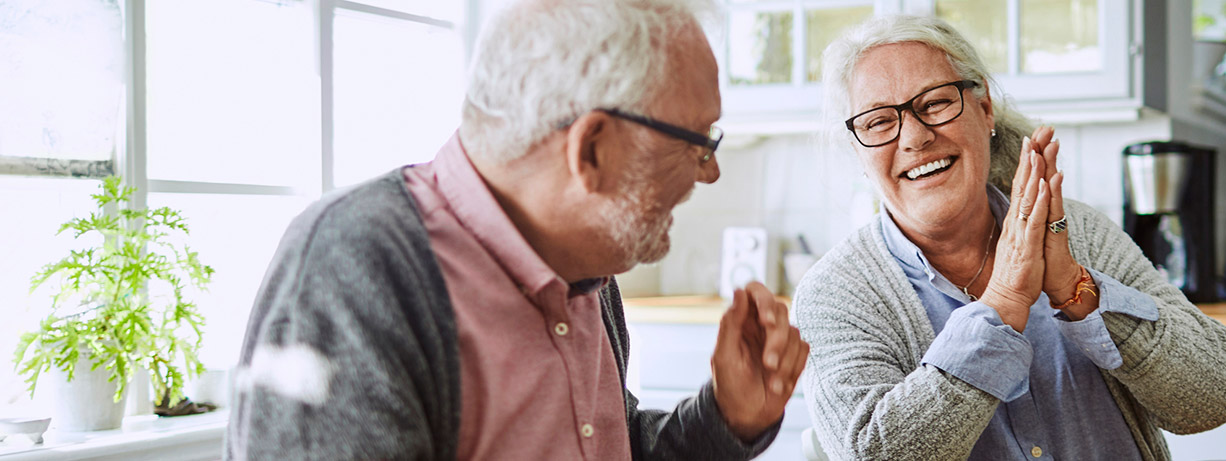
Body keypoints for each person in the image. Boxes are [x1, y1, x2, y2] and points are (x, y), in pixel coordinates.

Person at [225, 0, 808, 459]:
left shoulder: (583, 264)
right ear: (593, 149)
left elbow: (610, 447)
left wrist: (727, 417)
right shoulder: (353, 267)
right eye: (698, 143)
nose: (711, 172)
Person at [793, 15, 1226, 461]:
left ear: (984, 108)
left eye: (934, 103)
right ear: (858, 149)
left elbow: (1215, 397)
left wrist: (1076, 290)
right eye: (877, 122)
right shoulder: (835, 294)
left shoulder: (1077, 231)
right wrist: (1003, 304)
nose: (914, 137)